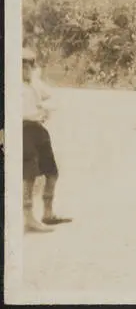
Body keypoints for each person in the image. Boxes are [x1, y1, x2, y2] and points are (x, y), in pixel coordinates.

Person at [22, 48, 72, 232]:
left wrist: (43, 107)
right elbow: (22, 113)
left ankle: (48, 213)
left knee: (51, 171)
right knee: (29, 175)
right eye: (21, 64)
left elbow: (53, 99)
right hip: (23, 129)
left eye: (29, 64)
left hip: (38, 129)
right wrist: (40, 110)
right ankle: (28, 218)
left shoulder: (35, 83)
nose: (26, 68)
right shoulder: (13, 87)